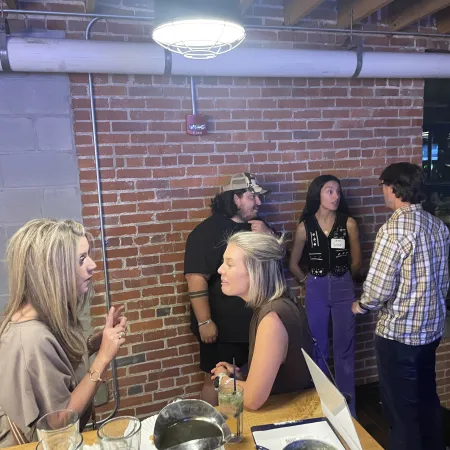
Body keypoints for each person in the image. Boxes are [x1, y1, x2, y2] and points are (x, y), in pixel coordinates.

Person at [0, 219, 127, 447]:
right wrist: (103, 358)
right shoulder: (31, 339)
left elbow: (54, 363)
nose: (92, 265)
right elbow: (58, 424)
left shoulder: (35, 317)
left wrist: (94, 344)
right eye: (81, 259)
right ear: (52, 270)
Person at [352, 163, 449, 450]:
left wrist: (360, 306)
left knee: (401, 412)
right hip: (431, 332)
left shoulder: (393, 229)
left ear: (393, 187)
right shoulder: (438, 225)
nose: (382, 190)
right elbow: (444, 282)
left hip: (399, 336)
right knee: (427, 400)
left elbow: (378, 289)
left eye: (383, 185)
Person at [184, 173, 275, 405]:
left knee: (255, 378)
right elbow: (196, 278)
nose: (258, 203)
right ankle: (213, 430)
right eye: (252, 196)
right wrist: (205, 321)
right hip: (223, 327)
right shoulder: (207, 231)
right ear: (235, 199)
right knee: (215, 378)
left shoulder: (258, 227)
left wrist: (269, 236)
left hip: (257, 322)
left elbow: (275, 264)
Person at [211, 232, 313, 410]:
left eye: (230, 264)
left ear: (255, 270)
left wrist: (222, 379)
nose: (220, 269)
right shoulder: (278, 303)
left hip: (286, 417)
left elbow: (252, 399)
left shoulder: (272, 319)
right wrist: (242, 376)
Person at [289, 175, 361, 416]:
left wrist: (345, 280)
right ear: (317, 194)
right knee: (319, 348)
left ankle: (348, 411)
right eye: (329, 191)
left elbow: (358, 260)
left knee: (345, 348)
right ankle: (323, 407)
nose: (336, 196)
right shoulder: (305, 226)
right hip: (316, 290)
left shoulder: (348, 223)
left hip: (344, 289)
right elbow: (293, 263)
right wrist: (307, 282)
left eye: (338, 192)